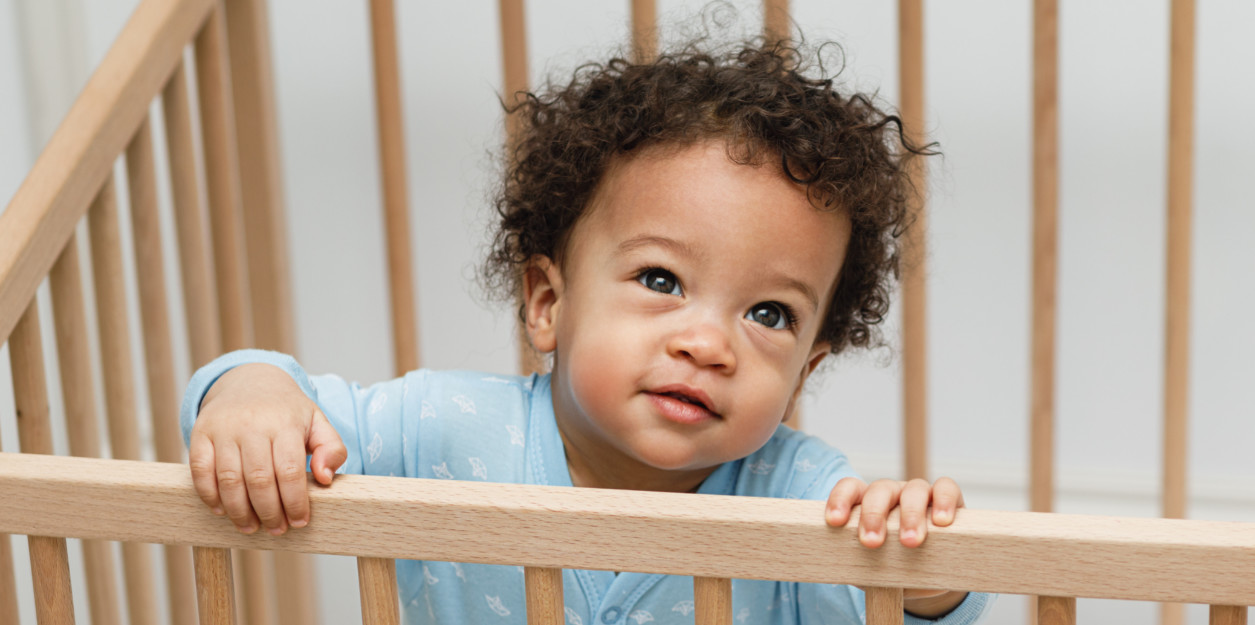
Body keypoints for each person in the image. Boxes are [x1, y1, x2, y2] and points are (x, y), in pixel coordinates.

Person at [180, 36, 992, 625]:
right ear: (547, 302)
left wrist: (921, 563)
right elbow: (293, 416)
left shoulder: (802, 492)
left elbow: (893, 606)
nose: (708, 344)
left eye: (768, 314)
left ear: (805, 371)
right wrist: (251, 391)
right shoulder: (444, 428)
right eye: (661, 280)